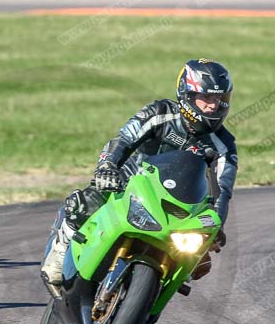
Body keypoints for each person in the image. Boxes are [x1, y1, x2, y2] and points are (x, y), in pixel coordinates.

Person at [41, 58, 238, 285]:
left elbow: (223, 190)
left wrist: (216, 226)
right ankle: (61, 250)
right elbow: (124, 139)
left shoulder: (224, 145)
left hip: (178, 209)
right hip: (128, 187)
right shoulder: (159, 112)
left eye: (219, 99)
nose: (213, 106)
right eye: (206, 98)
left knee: (198, 262)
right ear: (187, 95)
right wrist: (107, 167)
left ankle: (148, 308)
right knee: (84, 204)